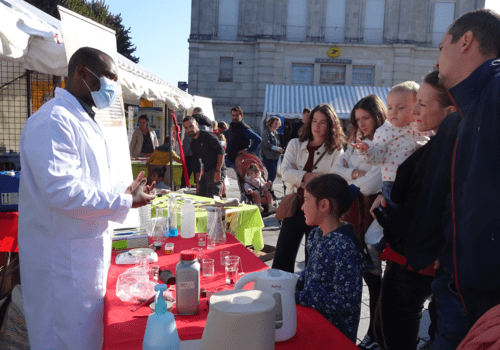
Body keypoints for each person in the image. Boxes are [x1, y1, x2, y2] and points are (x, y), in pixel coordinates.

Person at [17, 47, 156, 349]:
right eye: (107, 77)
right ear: (80, 71)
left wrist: (124, 192)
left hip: (81, 259)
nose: (111, 86)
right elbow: (62, 192)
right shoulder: (54, 120)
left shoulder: (81, 119)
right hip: (61, 268)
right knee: (64, 341)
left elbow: (90, 183)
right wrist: (125, 202)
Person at [414, 9, 500, 350]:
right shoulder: (471, 106)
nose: (437, 60)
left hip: (481, 300)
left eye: (440, 46)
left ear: (466, 42)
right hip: (457, 288)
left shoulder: (494, 89)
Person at [368, 70, 458, 350]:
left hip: (416, 258)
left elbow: (441, 206)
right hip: (411, 253)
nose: (414, 111)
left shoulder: (446, 148)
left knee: (397, 330)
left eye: (422, 103)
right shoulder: (439, 144)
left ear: (450, 110)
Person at [331, 94, 386, 350]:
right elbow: (335, 169)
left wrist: (351, 176)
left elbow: (372, 184)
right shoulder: (356, 141)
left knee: (378, 280)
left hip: (376, 218)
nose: (361, 124)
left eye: (366, 118)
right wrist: (354, 173)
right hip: (355, 217)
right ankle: (374, 334)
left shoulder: (385, 140)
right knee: (366, 277)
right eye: (357, 119)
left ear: (377, 115)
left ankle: (377, 335)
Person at [295, 173, 373, 343]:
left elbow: (346, 300)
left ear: (323, 205)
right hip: (313, 324)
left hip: (333, 336)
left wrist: (301, 297)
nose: (302, 207)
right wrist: (293, 283)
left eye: (306, 200)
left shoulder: (343, 246)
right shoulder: (316, 235)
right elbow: (312, 273)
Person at [272, 103, 345, 273]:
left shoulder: (336, 151)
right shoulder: (295, 144)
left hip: (319, 211)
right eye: (314, 121)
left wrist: (299, 175)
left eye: (323, 122)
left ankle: (307, 296)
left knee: (314, 260)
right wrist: (309, 176)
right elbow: (284, 172)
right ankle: (279, 292)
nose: (317, 126)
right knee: (283, 257)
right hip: (295, 205)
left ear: (331, 125)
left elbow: (334, 181)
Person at [354, 82, 428, 210]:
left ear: (416, 107)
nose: (393, 112)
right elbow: (377, 156)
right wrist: (367, 150)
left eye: (400, 108)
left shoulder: (423, 127)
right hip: (393, 183)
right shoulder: (385, 131)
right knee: (396, 217)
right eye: (390, 108)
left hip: (418, 181)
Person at [183, 115, 226, 198]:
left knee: (213, 198)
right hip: (206, 170)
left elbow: (221, 151)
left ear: (197, 125)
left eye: (191, 126)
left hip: (217, 169)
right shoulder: (193, 143)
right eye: (186, 128)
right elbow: (197, 162)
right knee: (200, 196)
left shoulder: (208, 136)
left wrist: (218, 170)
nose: (189, 129)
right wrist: (198, 182)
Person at [225, 106, 262, 170]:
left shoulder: (245, 129)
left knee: (241, 179)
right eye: (233, 115)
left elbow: (258, 139)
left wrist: (248, 150)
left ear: (241, 116)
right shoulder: (232, 126)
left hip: (240, 160)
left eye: (237, 115)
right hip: (230, 158)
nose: (234, 117)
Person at [260, 116, 283, 188]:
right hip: (267, 157)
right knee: (272, 173)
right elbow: (266, 144)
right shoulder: (266, 132)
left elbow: (278, 143)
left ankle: (268, 190)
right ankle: (268, 189)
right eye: (275, 123)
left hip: (274, 157)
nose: (277, 125)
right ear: (271, 123)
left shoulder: (275, 132)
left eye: (278, 124)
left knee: (272, 174)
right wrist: (277, 148)